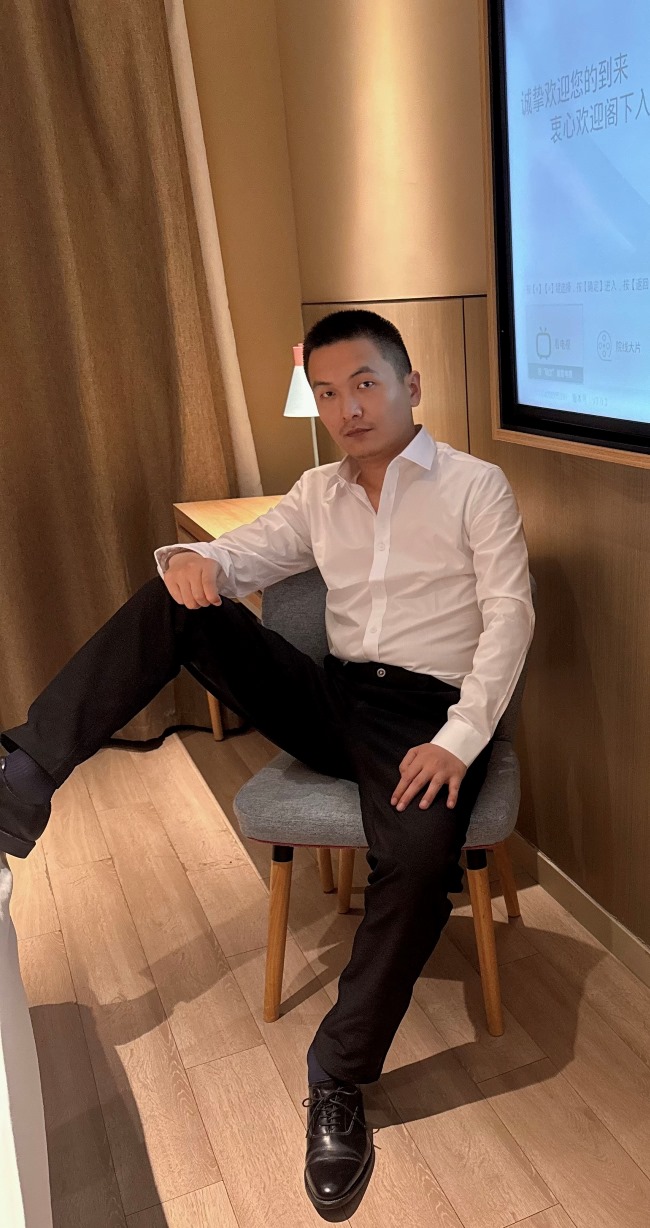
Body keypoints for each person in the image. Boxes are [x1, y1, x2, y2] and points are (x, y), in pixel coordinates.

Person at [0, 309, 534, 1211]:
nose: (348, 408)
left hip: (429, 716)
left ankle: (338, 1076)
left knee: (415, 863)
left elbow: (511, 618)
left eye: (364, 384)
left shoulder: (476, 487)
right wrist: (192, 560)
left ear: (410, 385)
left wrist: (458, 739)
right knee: (173, 599)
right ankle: (21, 778)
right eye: (328, 393)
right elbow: (244, 555)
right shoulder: (318, 492)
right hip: (335, 697)